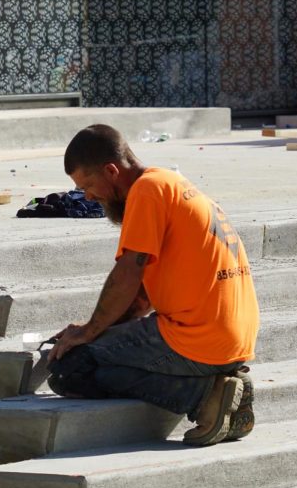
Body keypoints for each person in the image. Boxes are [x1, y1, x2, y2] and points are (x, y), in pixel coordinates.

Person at [46, 124, 259, 446]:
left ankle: (205, 395)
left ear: (111, 170)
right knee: (91, 350)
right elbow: (142, 298)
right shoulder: (170, 183)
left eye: (89, 185)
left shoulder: (146, 191)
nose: (87, 196)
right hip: (232, 337)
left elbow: (129, 270)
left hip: (198, 338)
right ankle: (225, 389)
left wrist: (90, 331)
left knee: (70, 369)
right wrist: (100, 330)